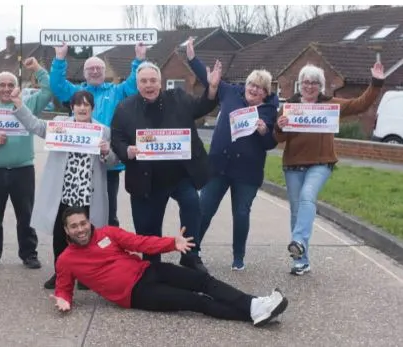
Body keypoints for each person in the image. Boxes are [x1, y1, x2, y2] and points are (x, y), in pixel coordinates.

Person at [50, 206, 289, 328]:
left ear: (89, 222)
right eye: (74, 226)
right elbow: (63, 287)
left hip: (147, 271)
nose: (80, 229)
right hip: (136, 295)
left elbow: (140, 242)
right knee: (196, 301)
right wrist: (64, 299)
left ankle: (255, 305)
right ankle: (254, 315)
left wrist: (171, 244)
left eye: (83, 223)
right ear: (66, 230)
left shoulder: (108, 233)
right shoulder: (66, 260)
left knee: (202, 281)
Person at [274, 62, 385, 275]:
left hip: (320, 164)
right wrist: (279, 125)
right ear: (300, 84)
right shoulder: (289, 106)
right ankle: (301, 261)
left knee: (308, 196)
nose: (309, 86)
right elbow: (278, 137)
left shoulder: (330, 105)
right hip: (293, 166)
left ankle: (298, 240)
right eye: (305, 82)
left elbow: (359, 105)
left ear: (321, 85)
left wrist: (376, 82)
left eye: (314, 82)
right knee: (297, 211)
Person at [110, 61, 220, 273]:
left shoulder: (177, 98)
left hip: (179, 174)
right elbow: (117, 137)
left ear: (160, 82)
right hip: (146, 178)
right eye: (144, 81)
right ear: (137, 83)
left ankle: (191, 255)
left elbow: (201, 107)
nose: (149, 85)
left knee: (192, 205)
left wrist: (212, 88)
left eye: (153, 80)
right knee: (147, 225)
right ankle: (152, 262)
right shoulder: (125, 108)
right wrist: (127, 151)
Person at [10, 88, 119, 289]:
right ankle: (61, 273)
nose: (82, 108)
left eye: (86, 104)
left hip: (88, 194)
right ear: (72, 107)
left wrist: (106, 151)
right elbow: (36, 125)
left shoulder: (103, 131)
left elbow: (112, 161)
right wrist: (18, 104)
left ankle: (86, 276)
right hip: (64, 192)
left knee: (87, 236)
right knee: (61, 236)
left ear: (92, 109)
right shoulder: (61, 127)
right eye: (78, 104)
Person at [186, 38, 279, 271]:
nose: (254, 89)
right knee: (204, 209)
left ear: (266, 93)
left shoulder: (269, 110)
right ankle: (193, 251)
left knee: (241, 214)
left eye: (259, 87)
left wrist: (264, 130)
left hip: (247, 172)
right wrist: (191, 58)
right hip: (218, 166)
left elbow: (270, 144)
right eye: (251, 84)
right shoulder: (229, 93)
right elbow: (209, 79)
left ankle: (238, 257)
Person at [50, 43, 147, 228]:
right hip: (78, 163)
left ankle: (109, 250)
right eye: (90, 68)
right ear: (84, 73)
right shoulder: (76, 93)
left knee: (108, 213)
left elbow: (134, 85)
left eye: (98, 68)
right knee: (78, 212)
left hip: (107, 164)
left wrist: (139, 60)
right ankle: (81, 250)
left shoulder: (117, 91)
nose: (95, 71)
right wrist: (60, 59)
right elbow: (57, 86)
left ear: (104, 71)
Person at [0, 58, 52, 270]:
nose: (6, 89)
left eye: (11, 85)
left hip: (22, 169)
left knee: (26, 215)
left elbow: (49, 89)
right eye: (2, 85)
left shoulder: (28, 105)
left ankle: (29, 254)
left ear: (17, 88)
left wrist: (37, 69)